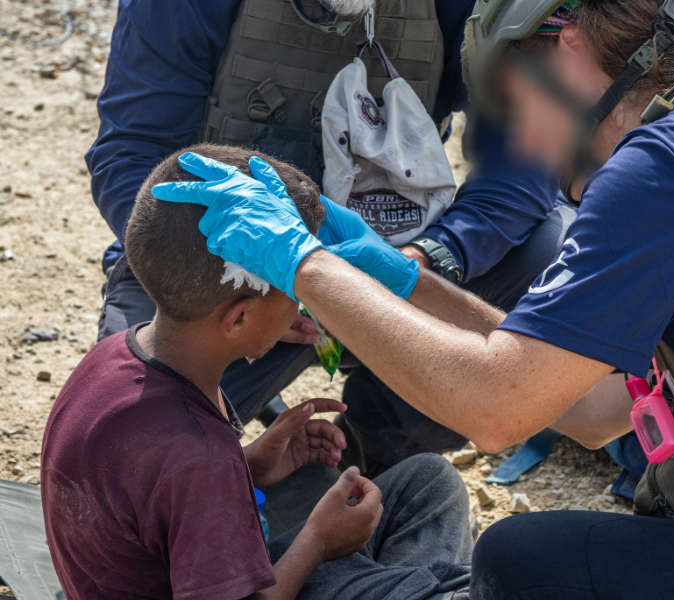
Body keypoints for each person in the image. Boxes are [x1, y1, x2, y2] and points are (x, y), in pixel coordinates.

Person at [151, 0, 674, 598]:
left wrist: (304, 263)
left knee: (523, 563)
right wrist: (403, 279)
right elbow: (593, 411)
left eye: (515, 107)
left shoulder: (666, 169)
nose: (523, 144)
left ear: (568, 51)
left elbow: (497, 412)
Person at [85, 0, 575, 473]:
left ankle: (374, 461)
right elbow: (130, 155)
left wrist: (424, 259)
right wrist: (265, 280)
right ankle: (226, 473)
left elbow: (525, 159)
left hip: (387, 258)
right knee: (135, 439)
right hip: (233, 271)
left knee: (543, 247)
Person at [41, 145, 472, 600]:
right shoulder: (200, 456)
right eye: (296, 287)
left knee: (429, 482)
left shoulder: (114, 356)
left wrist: (248, 467)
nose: (306, 304)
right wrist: (318, 541)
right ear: (240, 318)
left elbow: (150, 495)